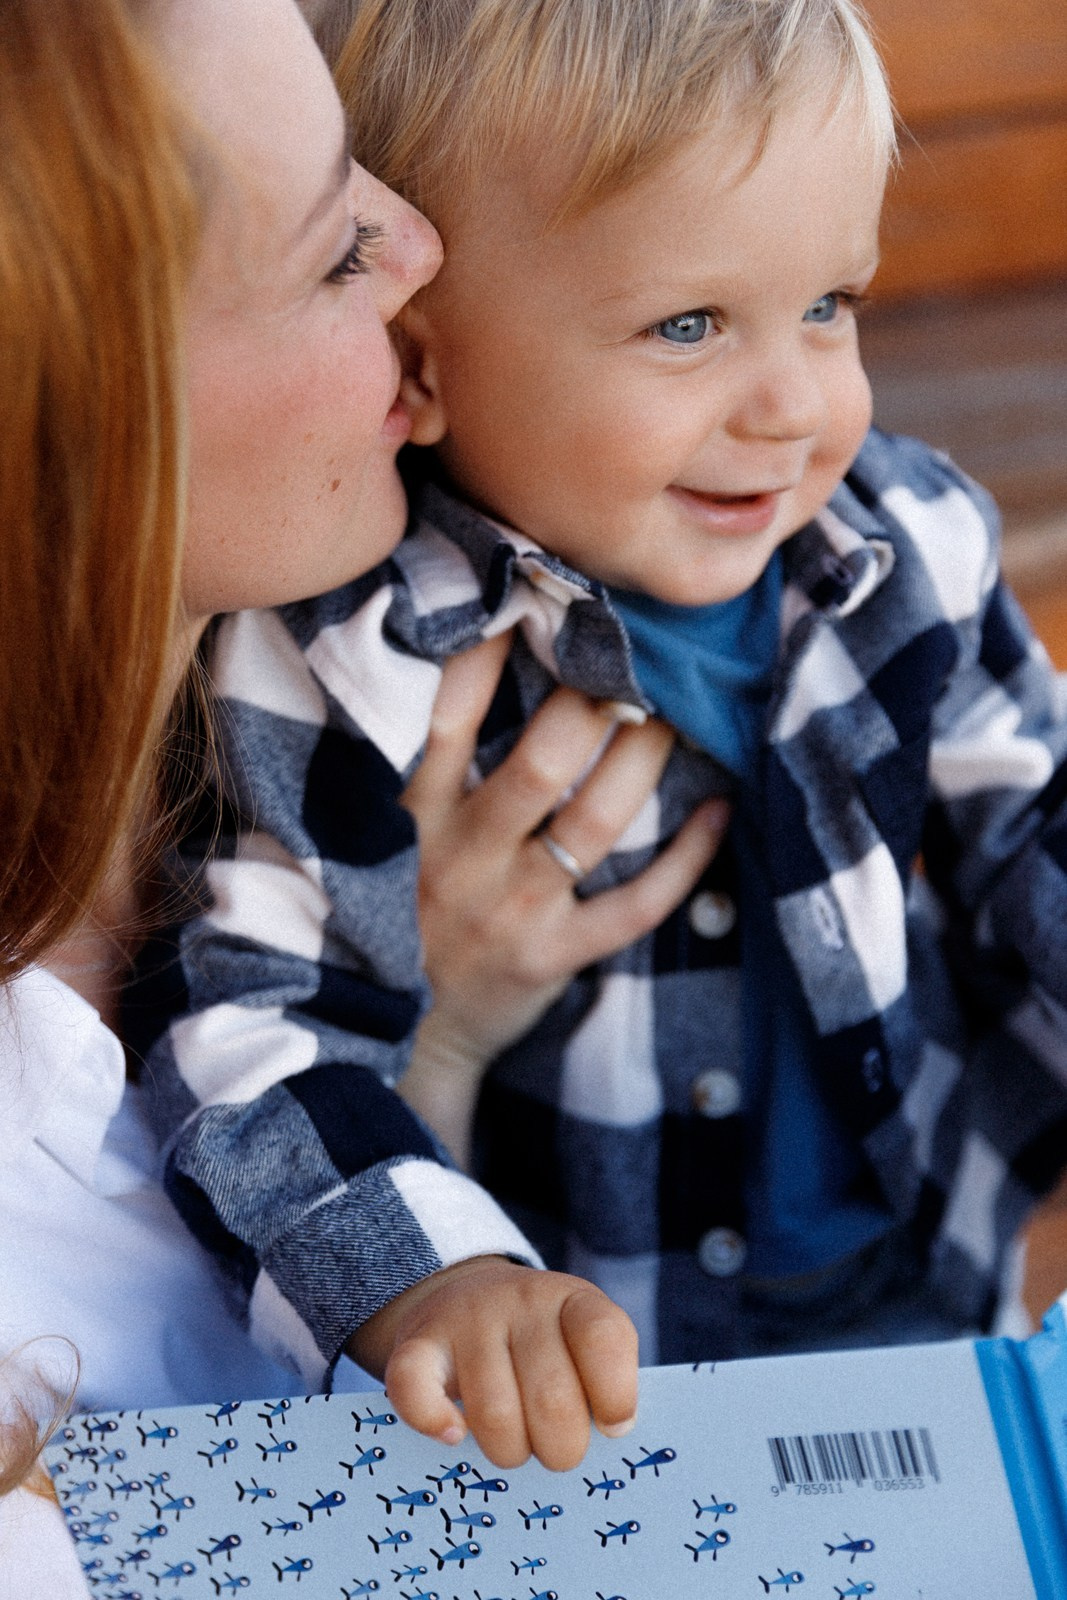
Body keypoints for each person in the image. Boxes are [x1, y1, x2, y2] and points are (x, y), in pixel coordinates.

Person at [137, 0, 1067, 1475]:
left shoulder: (904, 542)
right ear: (421, 360)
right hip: (580, 1385)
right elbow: (251, 1033)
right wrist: (437, 1274)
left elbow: (1032, 820)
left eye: (830, 304)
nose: (795, 406)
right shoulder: (351, 659)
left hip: (920, 1268)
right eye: (688, 326)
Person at [3, 0, 710, 1577]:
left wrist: (414, 1042)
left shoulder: (379, 700)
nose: (423, 246)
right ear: (82, 433)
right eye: (334, 252)